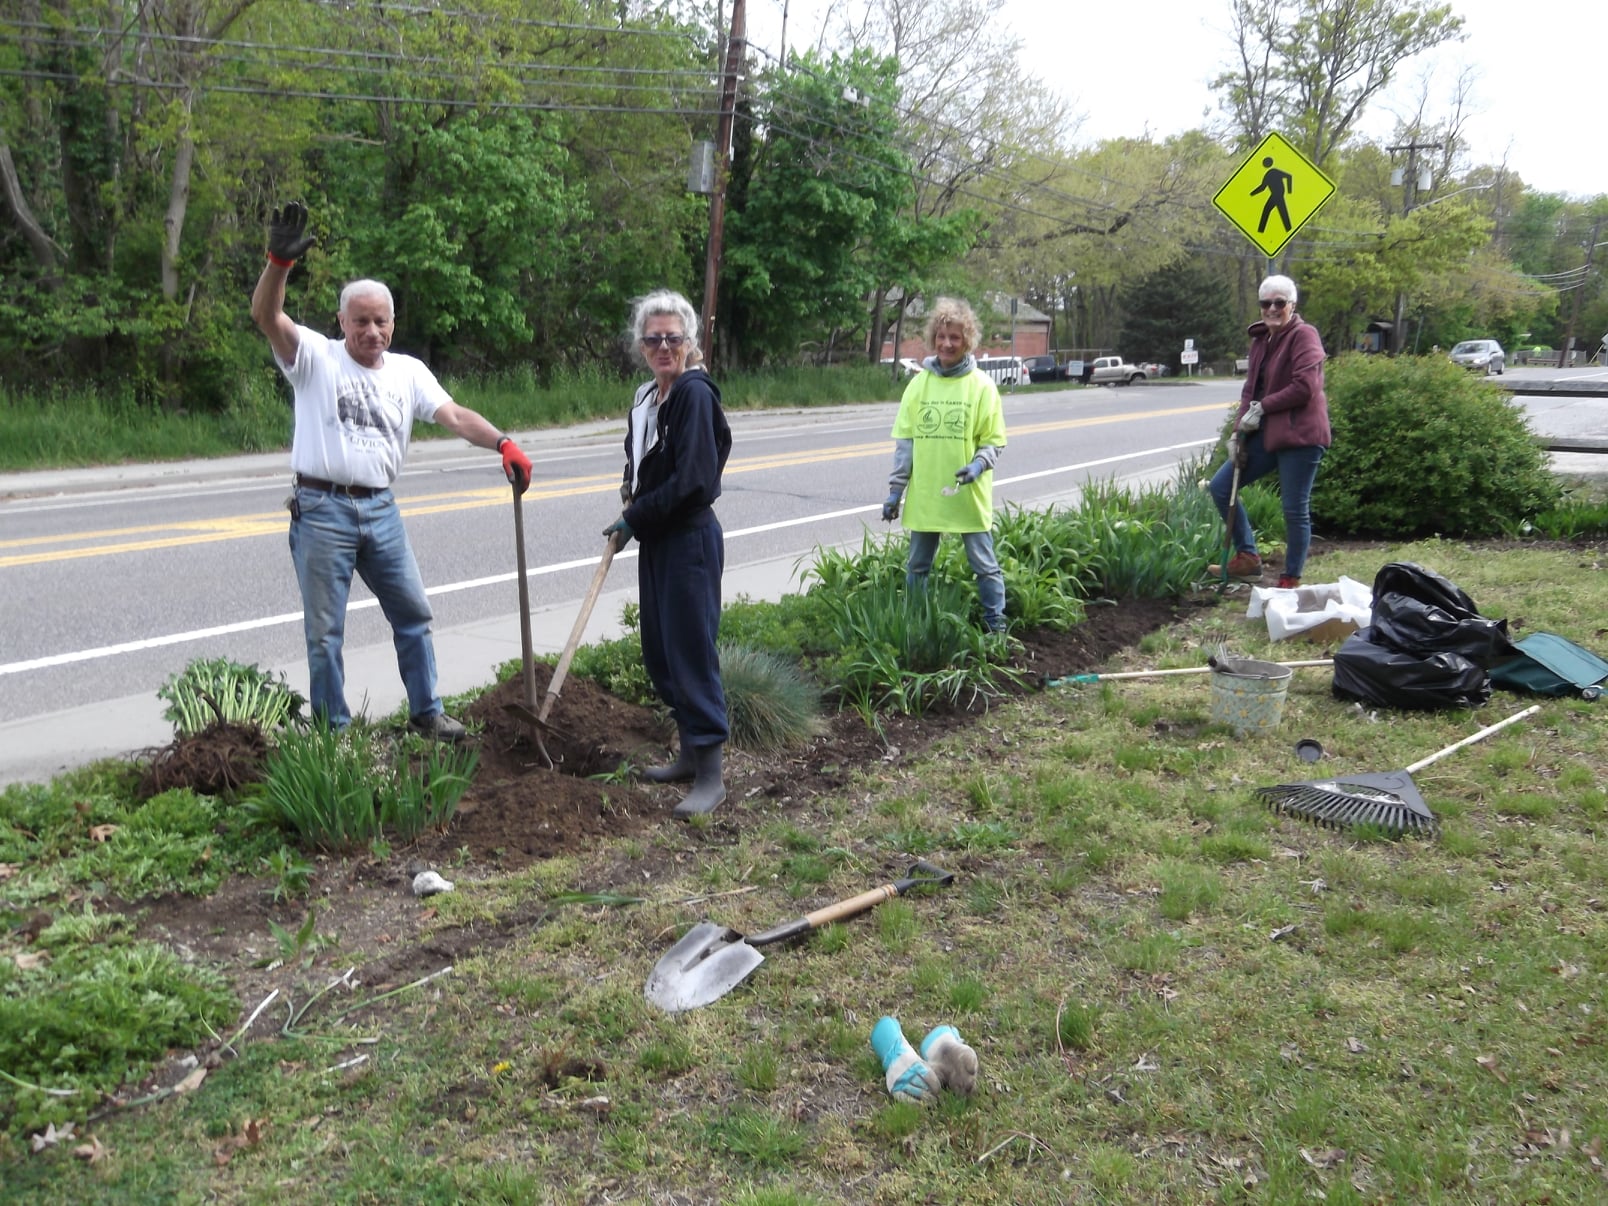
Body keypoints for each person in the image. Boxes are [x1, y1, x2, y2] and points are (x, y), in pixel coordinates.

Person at [250, 201, 532, 738]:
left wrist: (502, 442)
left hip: (381, 509)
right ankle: (334, 733)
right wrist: (277, 266)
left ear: (393, 323)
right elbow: (267, 316)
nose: (372, 331)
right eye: (361, 321)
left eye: (381, 321)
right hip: (322, 507)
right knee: (325, 632)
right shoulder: (315, 357)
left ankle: (428, 713)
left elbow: (452, 414)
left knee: (413, 613)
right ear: (342, 322)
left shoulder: (408, 371)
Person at [604, 290, 732, 817]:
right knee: (661, 654)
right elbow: (644, 460)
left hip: (689, 541)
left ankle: (711, 776)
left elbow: (695, 480)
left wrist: (637, 516)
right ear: (640, 345)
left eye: (673, 338)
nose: (663, 346)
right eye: (653, 338)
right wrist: (631, 495)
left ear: (689, 342)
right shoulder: (647, 397)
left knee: (691, 654)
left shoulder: (693, 395)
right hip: (658, 539)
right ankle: (686, 754)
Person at [881, 297, 1008, 632]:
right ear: (932, 339)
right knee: (917, 566)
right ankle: (917, 626)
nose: (947, 343)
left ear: (967, 340)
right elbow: (905, 445)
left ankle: (996, 628)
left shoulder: (982, 386)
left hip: (967, 494)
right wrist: (896, 492)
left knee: (984, 564)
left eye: (955, 337)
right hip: (926, 494)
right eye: (941, 336)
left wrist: (978, 466)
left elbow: (993, 440)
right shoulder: (918, 385)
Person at [1207, 274, 1330, 589]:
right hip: (1268, 434)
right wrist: (1238, 432)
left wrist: (1263, 408)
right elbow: (1250, 390)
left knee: (1293, 507)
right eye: (1266, 303)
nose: (1272, 309)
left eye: (1280, 302)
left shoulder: (1304, 335)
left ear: (1292, 305)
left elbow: (1305, 387)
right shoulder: (1261, 339)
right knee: (1222, 487)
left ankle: (1290, 578)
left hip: (1300, 434)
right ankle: (1248, 558)